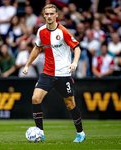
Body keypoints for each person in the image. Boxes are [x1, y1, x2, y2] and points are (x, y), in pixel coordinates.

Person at [22, 4, 86, 142]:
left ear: (57, 15)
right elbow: (37, 48)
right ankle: (40, 132)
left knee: (70, 105)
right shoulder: (41, 31)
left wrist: (74, 63)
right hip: (47, 73)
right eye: (47, 14)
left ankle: (80, 133)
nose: (49, 16)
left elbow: (77, 48)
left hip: (64, 74)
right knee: (35, 98)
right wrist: (27, 64)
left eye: (52, 14)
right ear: (44, 15)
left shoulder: (63, 31)